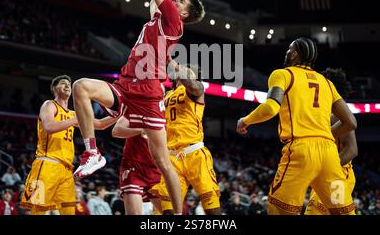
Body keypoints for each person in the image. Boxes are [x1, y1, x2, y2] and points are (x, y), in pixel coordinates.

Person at [71, 0, 205, 216]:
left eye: (181, 1)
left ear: (183, 12)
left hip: (147, 93)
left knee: (163, 162)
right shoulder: (162, 17)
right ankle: (92, 153)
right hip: (126, 85)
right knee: (81, 87)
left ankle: (179, 214)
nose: (176, 0)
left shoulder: (175, 21)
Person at [237, 38, 357, 215]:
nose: (286, 52)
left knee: (278, 209)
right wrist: (324, 136)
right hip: (330, 156)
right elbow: (351, 122)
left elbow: (271, 107)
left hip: (301, 151)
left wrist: (245, 120)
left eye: (289, 49)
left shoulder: (282, 74)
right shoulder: (327, 83)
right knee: (342, 212)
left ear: (294, 54)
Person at [20, 75, 116, 215]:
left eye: (69, 84)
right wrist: (76, 119)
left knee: (69, 211)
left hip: (66, 171)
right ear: (54, 88)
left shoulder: (72, 114)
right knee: (37, 210)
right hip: (47, 165)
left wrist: (120, 114)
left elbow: (100, 125)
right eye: (63, 83)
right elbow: (49, 126)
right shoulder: (49, 105)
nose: (67, 86)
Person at [149, 59, 221, 215]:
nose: (183, 72)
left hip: (194, 153)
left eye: (188, 71)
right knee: (167, 210)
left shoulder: (197, 89)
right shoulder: (166, 95)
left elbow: (192, 84)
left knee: (212, 207)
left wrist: (175, 65)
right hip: (172, 156)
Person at [305, 68, 358, 215]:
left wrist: (328, 167)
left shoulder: (336, 113)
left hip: (338, 175)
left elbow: (352, 149)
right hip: (326, 176)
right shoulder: (319, 112)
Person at [111, 117, 161, 215]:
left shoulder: (165, 113)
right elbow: (116, 131)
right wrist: (141, 130)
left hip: (156, 169)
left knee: (169, 211)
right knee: (134, 213)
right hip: (134, 166)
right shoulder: (134, 110)